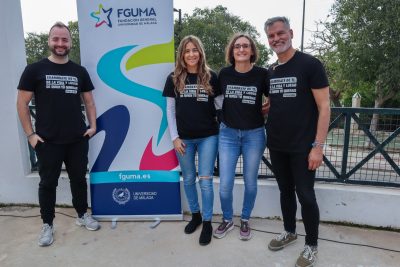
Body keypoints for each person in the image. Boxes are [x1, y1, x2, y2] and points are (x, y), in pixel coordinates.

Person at [16, 22, 100, 247]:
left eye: (64, 40)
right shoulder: (34, 70)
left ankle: (82, 215)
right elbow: (22, 104)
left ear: (70, 43)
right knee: (47, 184)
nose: (60, 44)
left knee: (79, 180)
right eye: (56, 39)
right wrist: (30, 135)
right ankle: (47, 225)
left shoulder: (79, 71)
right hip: (47, 141)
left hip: (77, 139)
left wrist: (92, 127)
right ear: (49, 40)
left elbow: (89, 102)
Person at [264, 17, 331, 267]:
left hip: (304, 147)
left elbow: (324, 107)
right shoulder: (272, 70)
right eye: (271, 36)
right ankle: (290, 231)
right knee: (285, 192)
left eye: (280, 33)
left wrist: (318, 146)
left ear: (290, 33)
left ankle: (311, 245)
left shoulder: (310, 64)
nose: (276, 39)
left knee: (306, 195)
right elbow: (276, 103)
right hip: (277, 144)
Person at [162, 35, 220, 246]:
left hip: (208, 137)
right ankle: (195, 215)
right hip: (183, 139)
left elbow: (220, 107)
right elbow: (169, 110)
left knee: (205, 181)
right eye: (187, 51)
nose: (191, 54)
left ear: (200, 52)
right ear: (182, 55)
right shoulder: (174, 78)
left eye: (195, 50)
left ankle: (207, 222)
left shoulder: (211, 76)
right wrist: (174, 138)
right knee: (188, 179)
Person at [213, 33, 268, 241]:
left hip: (254, 134)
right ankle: (227, 220)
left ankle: (245, 219)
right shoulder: (224, 74)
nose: (241, 49)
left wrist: (263, 110)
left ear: (252, 50)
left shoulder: (262, 74)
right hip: (228, 134)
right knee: (225, 183)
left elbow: (273, 97)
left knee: (250, 182)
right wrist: (221, 118)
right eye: (237, 46)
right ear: (232, 51)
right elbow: (218, 99)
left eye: (246, 46)